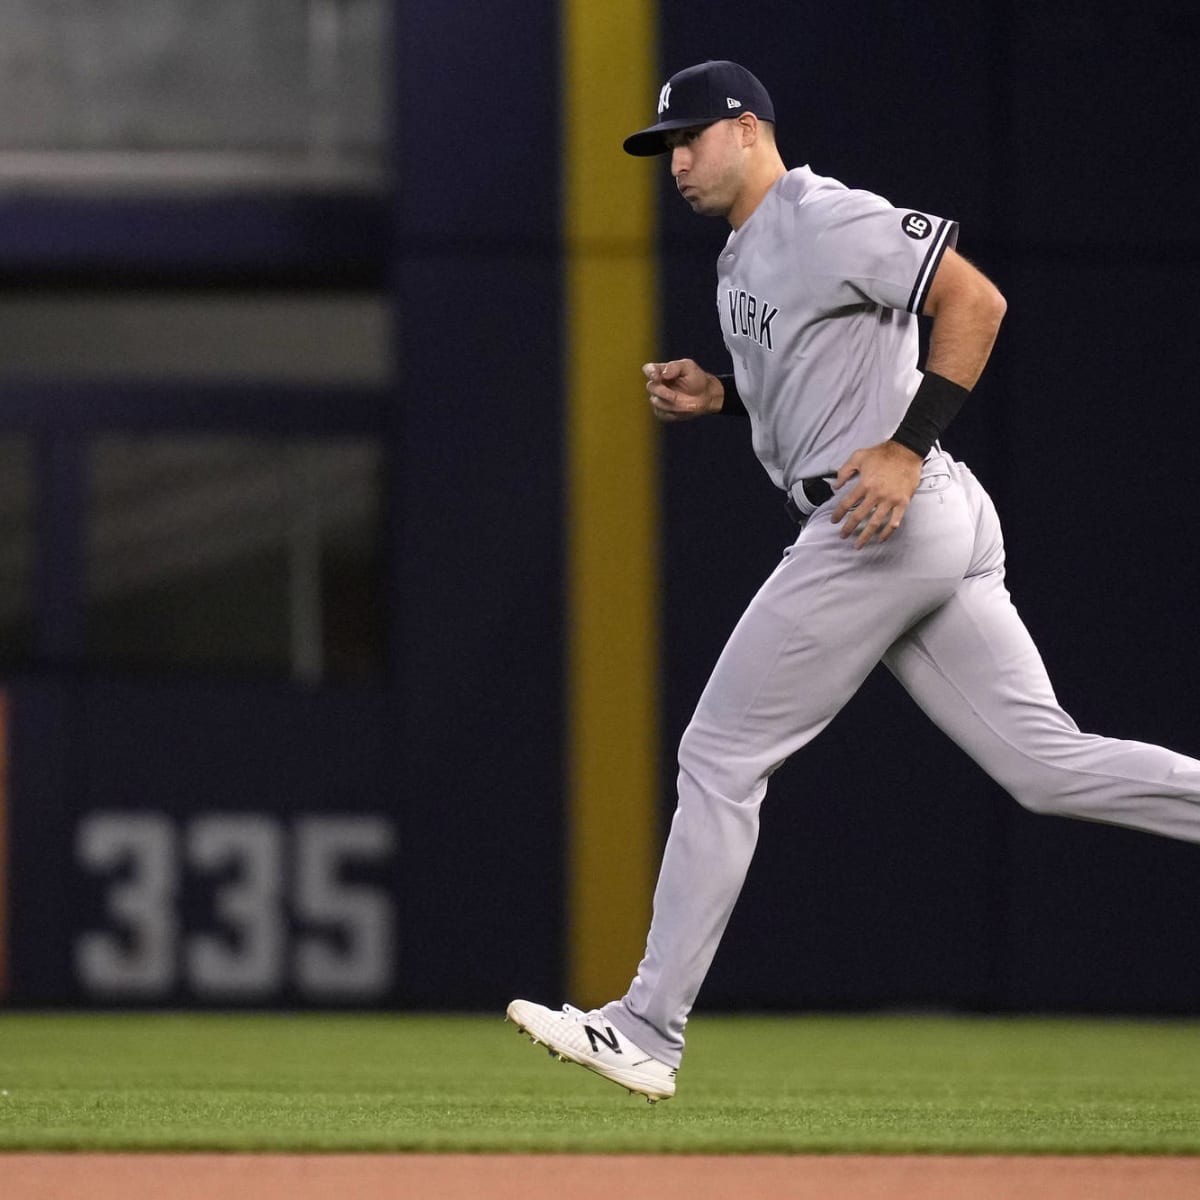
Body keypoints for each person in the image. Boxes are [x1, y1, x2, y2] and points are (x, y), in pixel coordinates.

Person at [507, 60, 1200, 1103]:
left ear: (748, 129)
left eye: (691, 137)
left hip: (884, 514)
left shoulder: (817, 214)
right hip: (925, 518)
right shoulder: (747, 252)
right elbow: (820, 376)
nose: (677, 160)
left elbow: (976, 300)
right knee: (1046, 767)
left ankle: (647, 1026)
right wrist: (726, 397)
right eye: (666, 148)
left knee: (721, 756)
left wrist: (910, 446)